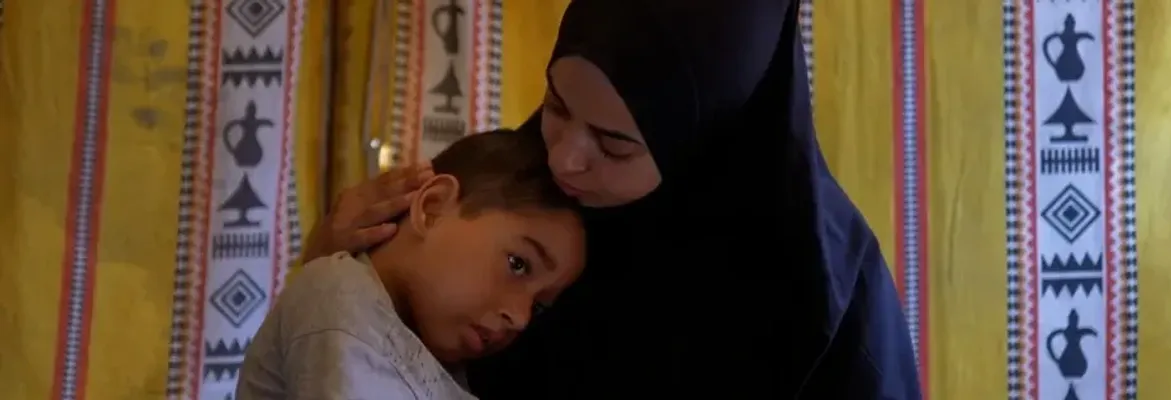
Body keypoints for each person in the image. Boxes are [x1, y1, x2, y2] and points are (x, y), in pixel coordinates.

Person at [307, 0, 922, 398]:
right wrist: (337, 269)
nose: (564, 158)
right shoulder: (517, 201)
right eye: (555, 104)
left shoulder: (824, 311)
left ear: (702, 143)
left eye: (614, 143)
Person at [238, 129, 587, 400]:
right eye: (518, 264)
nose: (521, 317)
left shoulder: (437, 361)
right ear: (432, 207)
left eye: (539, 307)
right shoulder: (339, 296)